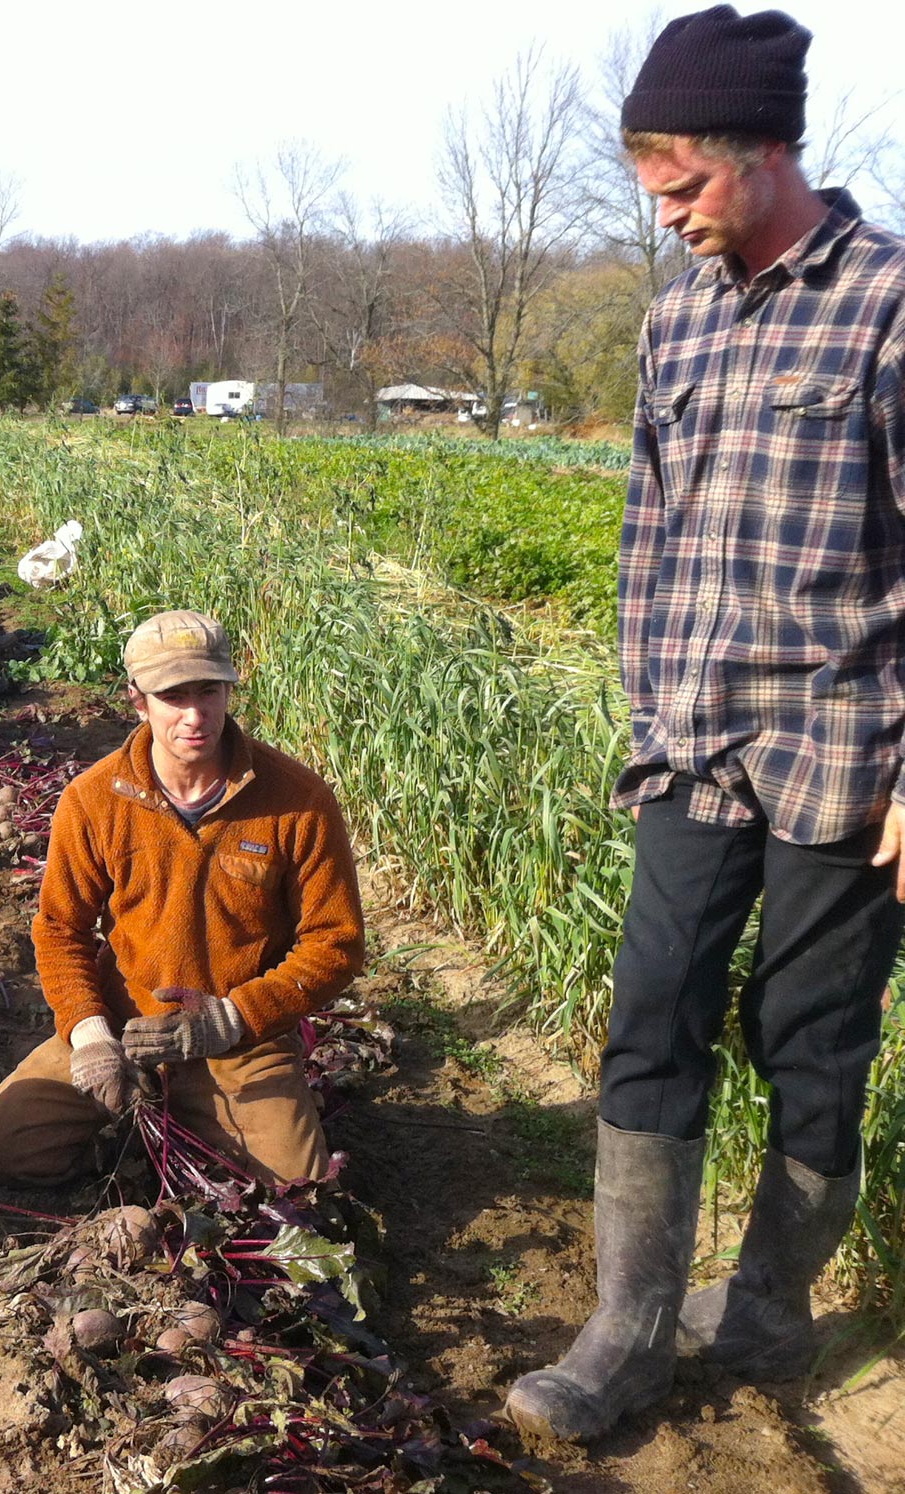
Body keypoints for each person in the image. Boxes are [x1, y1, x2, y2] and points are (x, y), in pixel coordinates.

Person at [506, 5, 905, 1444]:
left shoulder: (888, 306)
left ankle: (768, 1310)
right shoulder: (676, 315)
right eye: (652, 187)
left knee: (811, 1037)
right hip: (693, 744)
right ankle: (626, 1330)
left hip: (847, 757)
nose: (665, 214)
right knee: (650, 1014)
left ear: (764, 154)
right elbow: (647, 529)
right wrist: (644, 693)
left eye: (682, 184)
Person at [0, 611, 364, 1186]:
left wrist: (235, 1018)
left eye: (208, 691)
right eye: (173, 696)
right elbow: (59, 929)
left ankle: (194, 1119)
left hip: (239, 1042)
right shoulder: (94, 799)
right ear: (138, 700)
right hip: (125, 1025)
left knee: (298, 1192)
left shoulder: (298, 800)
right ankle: (136, 1127)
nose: (195, 715)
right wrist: (92, 1037)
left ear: (228, 688)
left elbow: (335, 942)